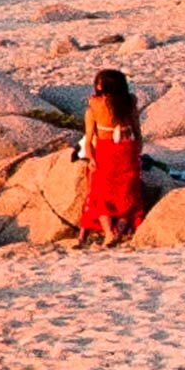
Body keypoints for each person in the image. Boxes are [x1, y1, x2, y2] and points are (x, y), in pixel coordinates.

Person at [75, 68, 151, 245]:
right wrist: (137, 153)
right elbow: (137, 132)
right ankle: (119, 231)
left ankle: (109, 232)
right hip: (127, 148)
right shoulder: (130, 101)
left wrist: (91, 158)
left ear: (102, 86)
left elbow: (89, 137)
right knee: (128, 193)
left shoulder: (96, 103)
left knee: (101, 195)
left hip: (106, 150)